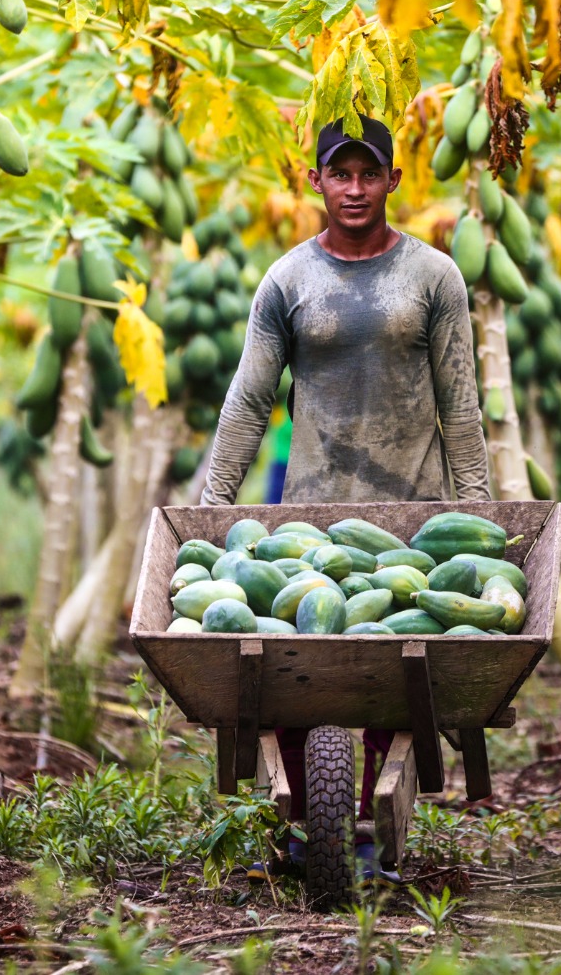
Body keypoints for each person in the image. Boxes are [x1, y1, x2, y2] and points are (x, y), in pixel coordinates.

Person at [200, 116, 492, 880]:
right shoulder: (287, 282)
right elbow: (247, 401)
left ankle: (366, 829)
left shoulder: (434, 277)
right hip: (312, 517)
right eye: (340, 174)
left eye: (369, 174)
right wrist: (211, 504)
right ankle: (293, 824)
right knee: (294, 678)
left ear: (395, 181)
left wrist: (480, 514)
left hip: (413, 520)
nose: (354, 188)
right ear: (316, 181)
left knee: (391, 686)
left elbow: (461, 405)